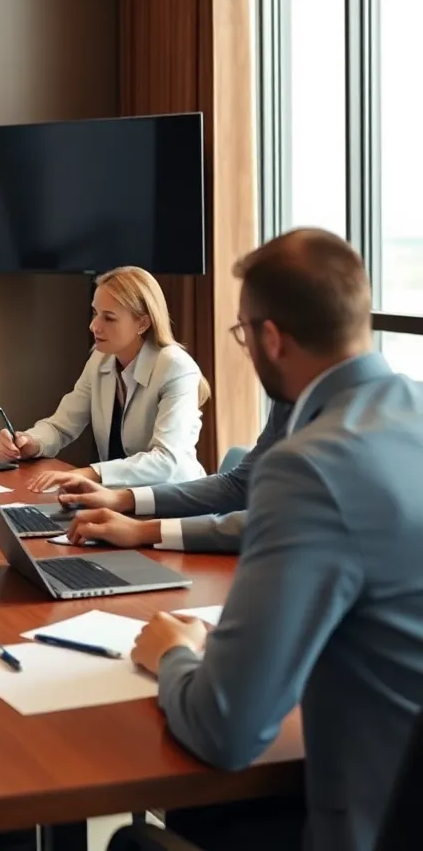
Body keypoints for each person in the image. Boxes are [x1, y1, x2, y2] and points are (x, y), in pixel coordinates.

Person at [127, 228, 423, 851]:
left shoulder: (309, 465)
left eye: (241, 334)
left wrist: (174, 653)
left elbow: (225, 728)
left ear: (269, 337)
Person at [0, 266, 210, 488]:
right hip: (119, 499)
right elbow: (61, 427)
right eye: (95, 313)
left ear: (143, 323)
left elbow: (166, 461)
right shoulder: (100, 359)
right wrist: (30, 441)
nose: (94, 326)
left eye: (109, 318)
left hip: (176, 504)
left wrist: (88, 473)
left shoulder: (175, 368)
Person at [52, 399, 293, 553]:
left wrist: (143, 531)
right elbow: (239, 485)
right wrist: (123, 499)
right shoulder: (286, 400)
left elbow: (284, 521)